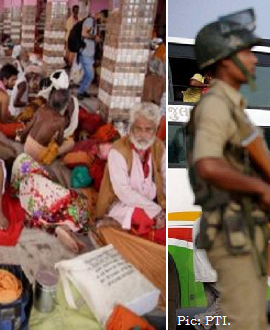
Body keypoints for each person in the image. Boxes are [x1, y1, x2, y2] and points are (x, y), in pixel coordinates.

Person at [186, 10, 270, 330]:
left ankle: (194, 324)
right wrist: (261, 189)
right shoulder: (216, 107)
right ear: (225, 62)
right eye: (245, 53)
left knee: (225, 318)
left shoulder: (233, 109)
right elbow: (208, 165)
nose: (254, 60)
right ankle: (191, 324)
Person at [95, 102, 166, 245]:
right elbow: (123, 192)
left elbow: (167, 179)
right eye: (138, 128)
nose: (142, 134)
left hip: (152, 202)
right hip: (123, 204)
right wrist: (155, 210)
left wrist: (167, 207)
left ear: (155, 130)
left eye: (148, 129)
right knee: (145, 221)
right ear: (131, 127)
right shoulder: (118, 150)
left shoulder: (158, 147)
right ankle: (114, 222)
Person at [76, 9, 109, 99]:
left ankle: (83, 90)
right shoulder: (90, 20)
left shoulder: (94, 23)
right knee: (90, 76)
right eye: (104, 19)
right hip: (85, 53)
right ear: (101, 15)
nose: (103, 22)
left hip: (89, 53)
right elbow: (84, 34)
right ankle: (80, 92)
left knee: (87, 74)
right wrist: (95, 38)